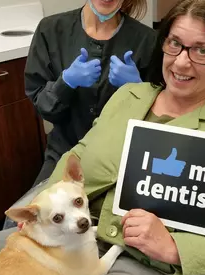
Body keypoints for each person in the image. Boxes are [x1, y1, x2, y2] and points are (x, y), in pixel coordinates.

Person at [0, 0, 205, 275]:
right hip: (65, 236)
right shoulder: (129, 96)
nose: (181, 61)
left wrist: (177, 248)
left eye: (202, 50)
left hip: (138, 260)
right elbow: (80, 152)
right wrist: (41, 207)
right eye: (174, 44)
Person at [25, 0, 157, 186]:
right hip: (64, 154)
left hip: (122, 160)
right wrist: (66, 83)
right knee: (24, 214)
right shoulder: (51, 30)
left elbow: (160, 119)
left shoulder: (147, 40)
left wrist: (139, 88)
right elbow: (44, 107)